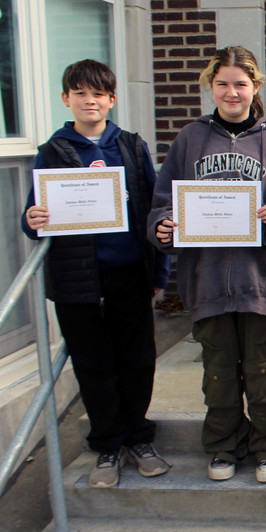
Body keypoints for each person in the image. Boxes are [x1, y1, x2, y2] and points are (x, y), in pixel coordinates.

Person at [148, 46, 266, 484]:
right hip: (208, 279)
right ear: (210, 87)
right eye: (223, 84)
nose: (232, 92)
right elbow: (163, 204)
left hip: (258, 282)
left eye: (240, 83)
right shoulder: (190, 139)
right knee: (218, 373)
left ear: (255, 87)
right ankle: (223, 447)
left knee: (265, 370)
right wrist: (163, 226)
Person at [21, 59, 170, 489]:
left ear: (112, 99)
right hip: (78, 282)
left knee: (138, 361)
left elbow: (152, 211)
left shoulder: (129, 145)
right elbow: (34, 217)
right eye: (80, 93)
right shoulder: (52, 152)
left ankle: (139, 438)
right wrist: (33, 218)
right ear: (66, 99)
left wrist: (158, 271)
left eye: (99, 94)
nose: (90, 101)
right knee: (93, 365)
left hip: (129, 274)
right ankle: (107, 445)